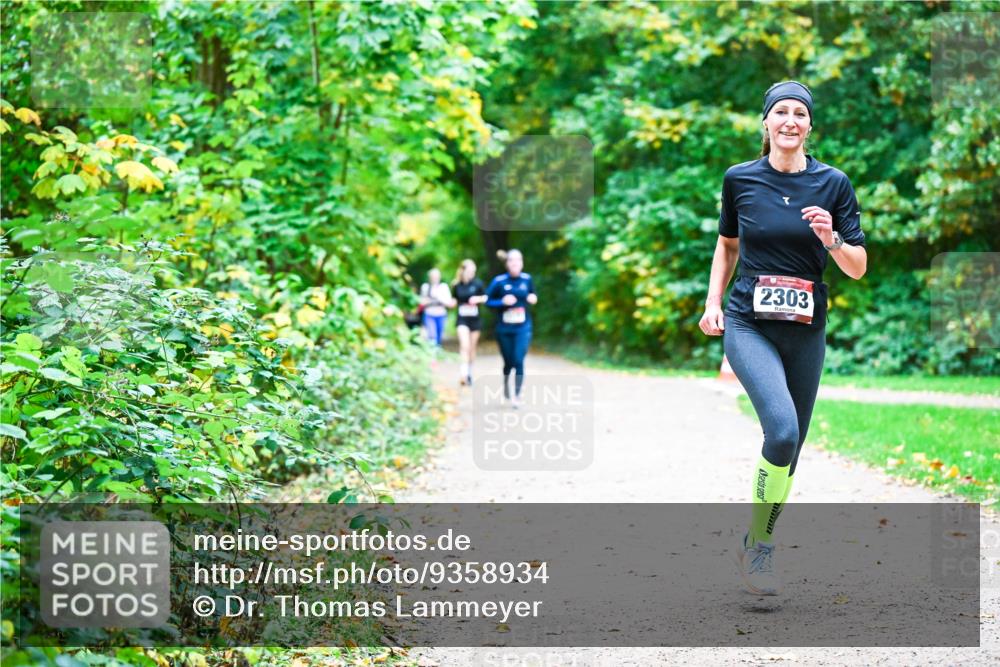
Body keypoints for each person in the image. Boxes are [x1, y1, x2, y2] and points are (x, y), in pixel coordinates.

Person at [698, 81, 867, 596]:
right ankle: (763, 553)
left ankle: (755, 538)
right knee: (783, 431)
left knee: (790, 448)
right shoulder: (740, 179)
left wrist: (831, 238)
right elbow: (727, 246)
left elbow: (858, 268)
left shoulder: (833, 184)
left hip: (806, 327)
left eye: (800, 113)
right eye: (781, 112)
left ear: (810, 125)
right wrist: (711, 302)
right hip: (748, 320)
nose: (790, 120)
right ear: (766, 123)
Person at [485, 249, 537, 408]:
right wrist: (502, 302)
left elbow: (533, 295)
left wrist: (532, 298)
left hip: (523, 327)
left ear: (522, 263)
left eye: (518, 260)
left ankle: (517, 394)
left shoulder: (527, 279)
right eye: (512, 260)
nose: (515, 263)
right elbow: (487, 301)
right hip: (504, 329)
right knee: (508, 362)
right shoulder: (499, 281)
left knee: (518, 359)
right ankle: (507, 387)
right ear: (507, 263)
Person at [452, 259, 487, 386]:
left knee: (472, 348)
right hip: (462, 319)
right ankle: (463, 374)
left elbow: (486, 297)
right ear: (463, 270)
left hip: (475, 319)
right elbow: (454, 300)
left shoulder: (478, 284)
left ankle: (470, 373)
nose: (472, 273)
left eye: (474, 271)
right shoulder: (456, 285)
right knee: (464, 346)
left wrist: (477, 299)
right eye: (470, 270)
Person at [419, 268, 452, 348]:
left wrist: (438, 297)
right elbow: (421, 302)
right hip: (429, 314)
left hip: (441, 314)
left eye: (436, 276)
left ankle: (437, 352)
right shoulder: (425, 287)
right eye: (433, 276)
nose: (435, 278)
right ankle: (433, 355)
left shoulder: (443, 287)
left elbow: (449, 302)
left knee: (439, 336)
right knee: (432, 335)